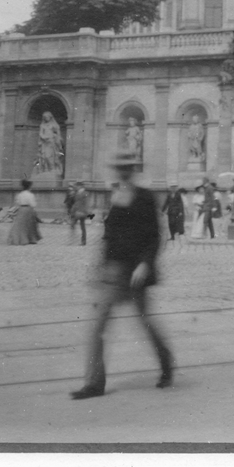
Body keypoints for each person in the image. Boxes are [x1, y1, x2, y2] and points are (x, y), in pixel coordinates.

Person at [70, 150, 174, 400]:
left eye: (127, 168)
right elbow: (109, 235)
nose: (123, 172)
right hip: (114, 270)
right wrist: (100, 266)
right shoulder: (116, 195)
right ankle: (94, 384)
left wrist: (145, 264)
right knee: (98, 326)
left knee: (146, 323)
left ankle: (166, 362)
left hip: (136, 271)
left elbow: (155, 236)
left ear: (133, 170)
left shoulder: (145, 197)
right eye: (119, 168)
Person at [8, 179, 41, 245]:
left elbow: (17, 202)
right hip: (28, 210)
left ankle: (19, 239)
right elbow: (33, 204)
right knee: (30, 225)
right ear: (29, 187)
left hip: (21, 209)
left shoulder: (20, 194)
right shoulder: (30, 195)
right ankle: (31, 239)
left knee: (20, 225)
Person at [68, 181, 91, 246]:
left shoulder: (85, 193)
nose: (76, 187)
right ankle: (80, 241)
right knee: (79, 226)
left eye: (77, 186)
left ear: (80, 186)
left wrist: (85, 212)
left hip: (81, 212)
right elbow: (76, 203)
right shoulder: (77, 193)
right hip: (77, 212)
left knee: (76, 225)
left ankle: (79, 241)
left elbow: (86, 204)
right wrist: (73, 211)